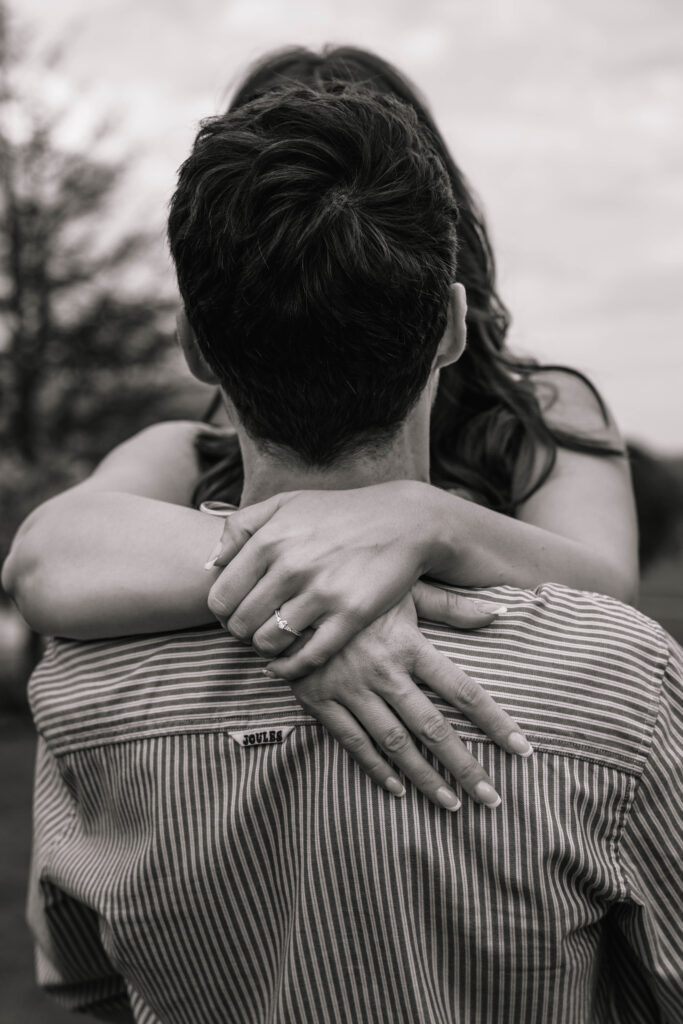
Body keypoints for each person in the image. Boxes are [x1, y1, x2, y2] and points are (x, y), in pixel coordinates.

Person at [13, 80, 683, 1023]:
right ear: (448, 321)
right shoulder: (613, 682)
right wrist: (328, 607)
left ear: (196, 343)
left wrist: (421, 523)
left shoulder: (82, 687)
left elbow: (90, 984)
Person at [4, 47, 639, 800]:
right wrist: (324, 587)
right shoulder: (187, 447)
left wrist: (424, 521)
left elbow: (604, 590)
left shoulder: (539, 413)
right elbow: (45, 561)